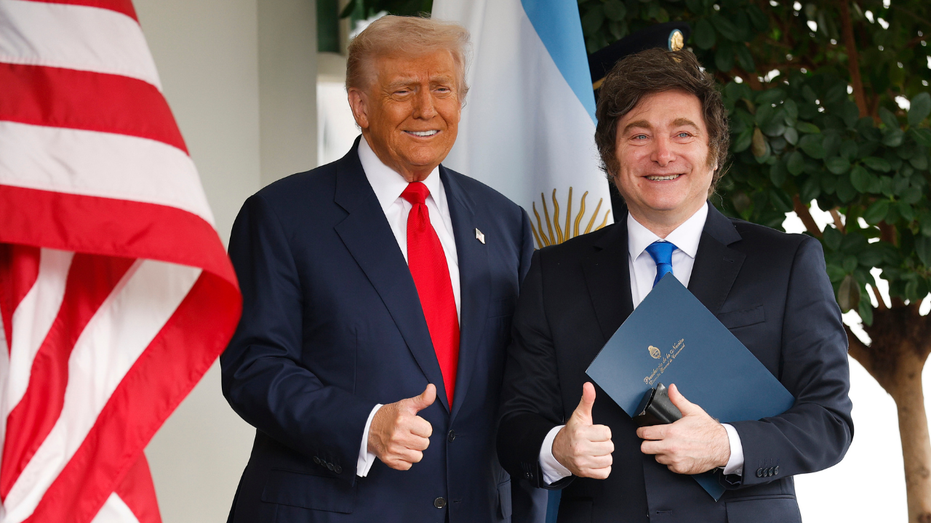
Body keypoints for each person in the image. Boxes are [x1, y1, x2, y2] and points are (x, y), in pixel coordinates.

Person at [496, 48, 853, 522]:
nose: (662, 154)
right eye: (639, 135)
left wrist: (726, 445)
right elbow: (514, 425)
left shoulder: (786, 263)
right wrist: (557, 448)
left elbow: (829, 421)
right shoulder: (552, 273)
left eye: (683, 133)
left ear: (714, 150)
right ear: (610, 154)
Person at [221, 15, 544, 523]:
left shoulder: (505, 222)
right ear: (360, 106)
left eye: (442, 88)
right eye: (402, 91)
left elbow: (526, 380)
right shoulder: (282, 215)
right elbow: (253, 368)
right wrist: (363, 426)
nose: (426, 108)